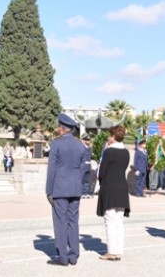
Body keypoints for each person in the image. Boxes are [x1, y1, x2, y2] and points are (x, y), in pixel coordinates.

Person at [45, 113, 86, 267]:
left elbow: (52, 170)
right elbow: (83, 169)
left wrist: (48, 191)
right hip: (75, 188)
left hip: (60, 188)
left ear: (62, 129)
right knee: (73, 221)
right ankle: (74, 255)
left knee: (60, 221)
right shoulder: (81, 145)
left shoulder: (56, 144)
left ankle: (63, 256)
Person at [96, 126, 130, 261]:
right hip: (122, 187)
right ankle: (119, 250)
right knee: (118, 221)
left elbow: (102, 171)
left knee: (109, 219)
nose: (108, 138)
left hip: (110, 187)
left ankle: (111, 251)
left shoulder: (109, 152)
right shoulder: (126, 152)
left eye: (110, 136)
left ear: (114, 137)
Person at [81, 134, 93, 199]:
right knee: (82, 180)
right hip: (83, 165)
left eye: (89, 140)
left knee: (87, 180)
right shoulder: (81, 147)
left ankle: (87, 193)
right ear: (84, 140)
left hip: (88, 165)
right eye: (87, 140)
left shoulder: (89, 148)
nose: (88, 141)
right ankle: (82, 193)